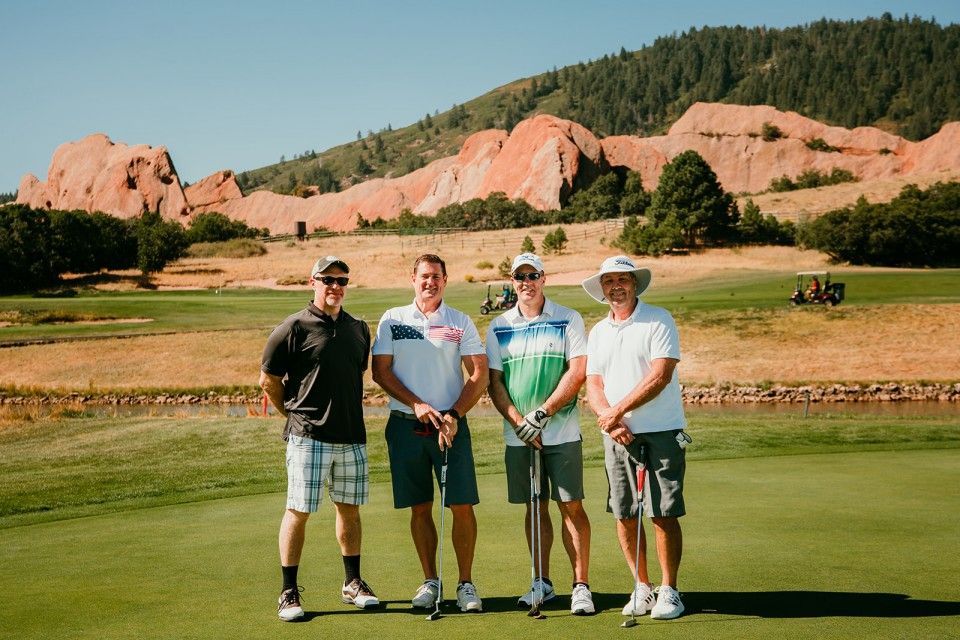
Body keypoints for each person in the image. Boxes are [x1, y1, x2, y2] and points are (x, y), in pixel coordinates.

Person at [260, 255, 378, 622]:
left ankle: (352, 582)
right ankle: (288, 590)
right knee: (299, 510)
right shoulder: (292, 328)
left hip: (351, 436)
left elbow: (354, 372)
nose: (335, 287)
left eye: (342, 280)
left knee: (349, 510)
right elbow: (268, 382)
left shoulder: (359, 328)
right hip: (308, 437)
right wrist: (294, 416)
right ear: (313, 281)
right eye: (328, 279)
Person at [371, 254, 489, 613]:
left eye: (436, 276)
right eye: (424, 276)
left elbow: (478, 374)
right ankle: (430, 580)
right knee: (420, 506)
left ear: (445, 280)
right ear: (413, 279)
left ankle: (465, 584)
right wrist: (417, 403)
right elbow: (381, 372)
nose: (430, 282)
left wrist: (454, 413)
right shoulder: (393, 319)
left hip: (451, 427)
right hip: (406, 426)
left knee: (462, 505)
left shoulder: (460, 321)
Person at [582, 255, 689, 621]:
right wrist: (609, 420)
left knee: (662, 512)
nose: (616, 286)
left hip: (660, 430)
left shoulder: (659, 319)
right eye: (608, 280)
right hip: (617, 434)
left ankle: (669, 590)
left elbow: (659, 376)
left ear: (635, 284)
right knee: (625, 513)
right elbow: (593, 384)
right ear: (602, 288)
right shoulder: (597, 332)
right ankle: (641, 587)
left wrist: (616, 411)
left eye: (622, 280)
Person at [486, 253, 594, 615]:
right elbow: (495, 382)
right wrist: (520, 420)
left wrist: (543, 413)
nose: (526, 282)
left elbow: (577, 371)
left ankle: (580, 585)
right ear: (511, 281)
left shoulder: (568, 318)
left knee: (571, 505)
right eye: (520, 277)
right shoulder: (499, 325)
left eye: (533, 275)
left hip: (561, 432)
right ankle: (542, 583)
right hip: (518, 435)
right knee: (534, 506)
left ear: (544, 278)